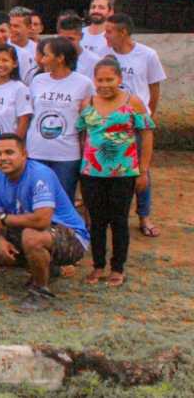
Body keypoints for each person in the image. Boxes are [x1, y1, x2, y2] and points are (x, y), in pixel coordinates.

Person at [0, 134, 90, 312]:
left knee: (31, 237)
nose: (3, 158)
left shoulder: (40, 174)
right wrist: (1, 240)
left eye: (9, 152)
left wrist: (4, 219)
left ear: (24, 154)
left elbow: (42, 220)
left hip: (71, 235)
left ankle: (40, 291)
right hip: (34, 231)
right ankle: (48, 269)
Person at [77, 57, 153, 286]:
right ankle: (98, 265)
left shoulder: (134, 102)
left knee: (119, 220)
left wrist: (143, 170)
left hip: (123, 173)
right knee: (97, 220)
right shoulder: (87, 103)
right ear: (94, 80)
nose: (105, 84)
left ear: (119, 79)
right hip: (92, 172)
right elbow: (82, 134)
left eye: (110, 79)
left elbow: (147, 134)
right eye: (100, 80)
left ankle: (117, 267)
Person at [102, 12, 166, 238]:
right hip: (111, 122)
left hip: (136, 122)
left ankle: (144, 215)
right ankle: (112, 215)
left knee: (141, 170)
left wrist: (147, 116)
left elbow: (154, 88)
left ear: (123, 32)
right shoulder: (105, 55)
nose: (105, 36)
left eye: (109, 31)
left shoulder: (147, 55)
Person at [27, 37, 93, 202]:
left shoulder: (83, 83)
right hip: (36, 150)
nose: (42, 60)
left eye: (46, 55)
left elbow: (87, 119)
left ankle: (62, 228)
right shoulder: (37, 80)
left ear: (60, 58)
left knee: (63, 199)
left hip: (67, 154)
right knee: (38, 198)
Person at [57, 13, 100, 78]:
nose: (66, 43)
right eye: (62, 39)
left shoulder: (94, 62)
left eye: (71, 39)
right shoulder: (52, 59)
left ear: (81, 36)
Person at [7, 6, 40, 82]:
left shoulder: (38, 50)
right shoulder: (1, 48)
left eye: (16, 26)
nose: (11, 29)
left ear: (29, 27)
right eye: (10, 26)